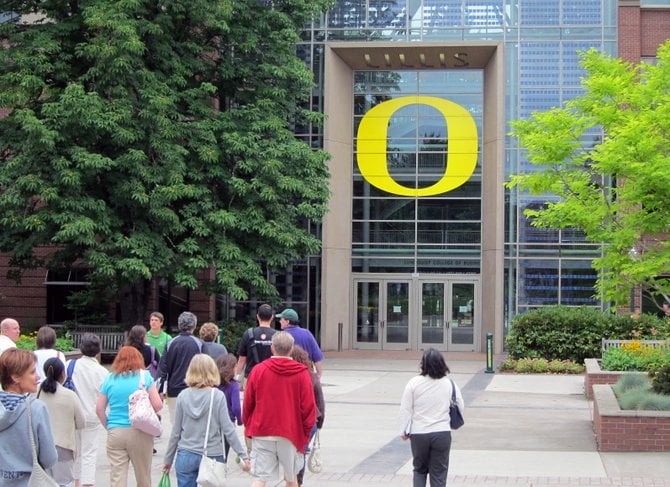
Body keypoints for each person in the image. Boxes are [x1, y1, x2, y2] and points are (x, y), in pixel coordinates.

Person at [162, 354, 250, 486]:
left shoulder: (182, 396)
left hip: (186, 453)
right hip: (211, 453)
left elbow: (176, 432)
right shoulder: (217, 396)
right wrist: (243, 454)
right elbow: (228, 429)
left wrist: (168, 459)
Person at [243, 332, 316, 487]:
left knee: (259, 478)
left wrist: (248, 426)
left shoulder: (258, 370)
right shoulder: (301, 373)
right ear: (291, 350)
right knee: (291, 478)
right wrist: (305, 433)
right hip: (290, 433)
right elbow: (308, 408)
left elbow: (248, 403)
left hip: (262, 429)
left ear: (272, 348)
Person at [96, 346, 163, 487]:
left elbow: (99, 409)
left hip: (116, 431)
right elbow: (158, 405)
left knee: (117, 477)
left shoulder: (109, 378)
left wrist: (109, 426)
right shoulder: (145, 376)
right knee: (143, 475)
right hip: (140, 431)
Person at [399, 348, 465, 487]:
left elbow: (405, 408)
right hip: (442, 433)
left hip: (419, 433)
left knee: (419, 470)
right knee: (439, 473)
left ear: (423, 364)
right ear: (442, 364)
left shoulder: (414, 383)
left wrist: (404, 430)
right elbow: (460, 406)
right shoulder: (450, 384)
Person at [0, 348, 58, 484]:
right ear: (15, 377)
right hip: (30, 481)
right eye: (32, 372)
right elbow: (49, 458)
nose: (38, 376)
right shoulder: (36, 408)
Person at [67, 333, 109, 487]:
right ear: (98, 350)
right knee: (89, 453)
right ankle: (87, 484)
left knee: (75, 452)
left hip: (73, 415)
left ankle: (75, 482)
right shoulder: (102, 372)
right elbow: (106, 398)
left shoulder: (70, 365)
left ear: (81, 348)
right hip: (92, 415)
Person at [38, 357, 85, 487]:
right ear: (63, 374)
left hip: (41, 446)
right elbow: (81, 422)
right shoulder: (70, 395)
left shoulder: (36, 392)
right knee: (65, 482)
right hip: (64, 447)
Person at [157, 311, 204, 423]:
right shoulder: (199, 344)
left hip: (174, 390)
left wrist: (160, 389)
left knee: (176, 424)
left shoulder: (170, 343)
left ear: (179, 325)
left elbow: (163, 368)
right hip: (194, 389)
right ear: (194, 325)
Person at [291, 345, 325, 486]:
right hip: (310, 421)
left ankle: (293, 480)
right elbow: (320, 402)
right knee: (301, 452)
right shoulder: (311, 376)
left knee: (294, 453)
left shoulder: (288, 377)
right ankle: (298, 481)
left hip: (293, 420)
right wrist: (319, 424)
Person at [235, 303, 277, 386]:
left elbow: (242, 360)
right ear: (272, 317)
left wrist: (237, 376)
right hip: (271, 378)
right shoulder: (277, 335)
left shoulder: (249, 333)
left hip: (251, 377)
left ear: (257, 317)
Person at [277, 308, 324, 379]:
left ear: (287, 321)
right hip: (306, 375)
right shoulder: (307, 333)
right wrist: (318, 375)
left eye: (281, 319)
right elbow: (317, 357)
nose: (280, 321)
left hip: (288, 375)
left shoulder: (282, 336)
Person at [215, 353, 242, 460]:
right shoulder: (234, 385)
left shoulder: (214, 384)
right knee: (224, 451)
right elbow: (236, 406)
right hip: (228, 422)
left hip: (214, 420)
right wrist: (240, 420)